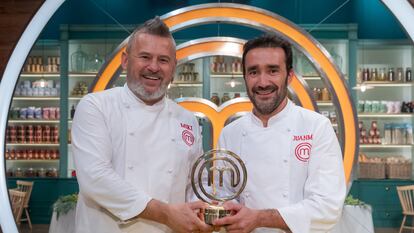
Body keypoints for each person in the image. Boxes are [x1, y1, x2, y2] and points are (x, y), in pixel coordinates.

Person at [72, 16, 212, 233]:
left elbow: (195, 181)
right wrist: (166, 214)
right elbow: (96, 179)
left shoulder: (186, 119)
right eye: (145, 57)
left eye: (163, 60)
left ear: (174, 66)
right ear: (126, 60)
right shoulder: (96, 106)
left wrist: (202, 210)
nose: (154, 67)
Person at [213, 34, 346, 233]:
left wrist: (258, 218)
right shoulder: (230, 133)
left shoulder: (316, 127)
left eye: (273, 71)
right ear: (245, 77)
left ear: (290, 76)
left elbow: (327, 207)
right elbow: (223, 194)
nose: (262, 82)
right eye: (253, 72)